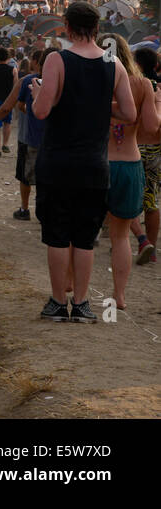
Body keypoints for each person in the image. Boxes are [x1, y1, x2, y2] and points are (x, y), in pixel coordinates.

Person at [31, 2, 136, 323]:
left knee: (58, 234)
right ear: (96, 27)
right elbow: (130, 113)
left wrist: (37, 91)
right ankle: (82, 303)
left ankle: (56, 301)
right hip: (94, 164)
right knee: (85, 236)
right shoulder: (112, 61)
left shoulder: (57, 60)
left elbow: (41, 110)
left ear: (66, 25)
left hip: (58, 161)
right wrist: (102, 107)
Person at [98, 34, 158, 311]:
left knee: (83, 230)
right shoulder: (143, 84)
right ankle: (118, 296)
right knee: (121, 236)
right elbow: (150, 128)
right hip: (129, 160)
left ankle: (70, 288)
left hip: (97, 160)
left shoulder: (93, 80)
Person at [0, 49, 46, 221]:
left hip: (28, 136)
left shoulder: (27, 81)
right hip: (52, 140)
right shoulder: (61, 82)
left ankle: (24, 208)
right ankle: (44, 210)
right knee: (47, 178)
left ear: (38, 61)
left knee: (25, 176)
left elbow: (8, 107)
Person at [134, 47, 161, 264]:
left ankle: (126, 240)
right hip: (157, 149)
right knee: (152, 202)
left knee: (128, 200)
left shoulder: (136, 86)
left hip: (136, 147)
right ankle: (151, 247)